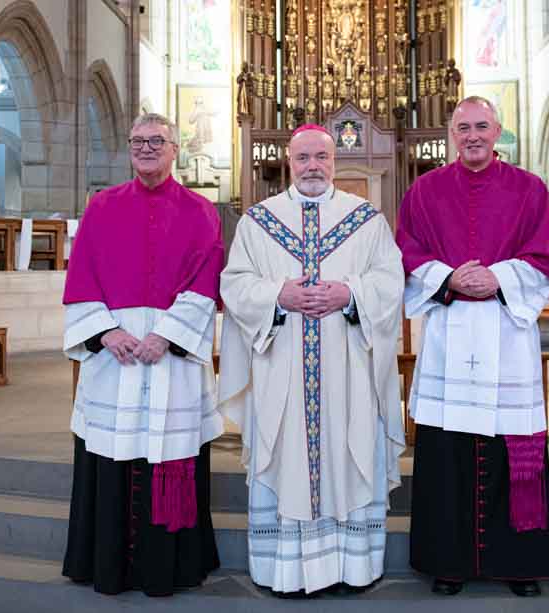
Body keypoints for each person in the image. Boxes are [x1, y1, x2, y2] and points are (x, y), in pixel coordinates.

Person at [217, 124, 405, 598]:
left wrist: (350, 293)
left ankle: (351, 567)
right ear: (289, 161)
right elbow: (234, 283)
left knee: (349, 448)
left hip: (349, 370)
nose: (313, 166)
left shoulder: (366, 220)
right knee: (285, 455)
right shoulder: (258, 222)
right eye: (303, 158)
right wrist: (277, 295)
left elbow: (391, 280)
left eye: (322, 157)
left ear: (335, 161)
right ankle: (286, 570)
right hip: (280, 363)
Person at [396, 96, 549, 597]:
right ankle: (449, 561)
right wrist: (450, 277)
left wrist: (498, 277)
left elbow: (548, 254)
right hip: (449, 334)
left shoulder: (529, 189)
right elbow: (405, 249)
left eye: (482, 126)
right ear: (452, 133)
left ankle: (518, 562)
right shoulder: (424, 190)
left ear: (498, 132)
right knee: (448, 452)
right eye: (463, 127)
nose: (472, 135)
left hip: (506, 334)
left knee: (513, 450)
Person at [61, 113, 224, 596]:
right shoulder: (101, 206)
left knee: (169, 457)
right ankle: (107, 566)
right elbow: (81, 275)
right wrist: (106, 332)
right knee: (111, 456)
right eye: (138, 141)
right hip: (116, 356)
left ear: (175, 149)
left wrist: (169, 335)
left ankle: (168, 568)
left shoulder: (200, 210)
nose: (147, 148)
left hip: (168, 357)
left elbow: (206, 277)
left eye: (157, 141)